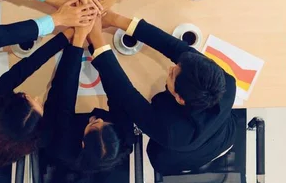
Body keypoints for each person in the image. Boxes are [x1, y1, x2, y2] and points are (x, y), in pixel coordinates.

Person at [92, 12, 237, 173]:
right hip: (225, 132)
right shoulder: (225, 82)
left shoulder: (170, 131)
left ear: (180, 98)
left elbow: (125, 93)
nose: (170, 67)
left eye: (172, 74)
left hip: (178, 154)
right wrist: (115, 19)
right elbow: (175, 47)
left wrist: (96, 38)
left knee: (157, 153)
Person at [0, 29, 75, 169]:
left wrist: (65, 37)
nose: (36, 98)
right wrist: (76, 42)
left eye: (26, 98)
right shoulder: (42, 137)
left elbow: (26, 67)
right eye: (40, 107)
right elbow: (64, 91)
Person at [42, 16, 133, 176]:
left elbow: (64, 96)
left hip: (59, 119)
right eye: (103, 122)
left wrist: (77, 42)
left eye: (93, 125)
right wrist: (96, 43)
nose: (96, 119)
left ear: (83, 143)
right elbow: (117, 91)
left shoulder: (63, 146)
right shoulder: (124, 141)